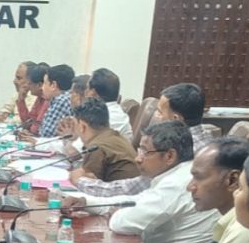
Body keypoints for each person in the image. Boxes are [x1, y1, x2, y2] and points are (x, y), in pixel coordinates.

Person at [65, 120, 216, 243]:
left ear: (169, 156)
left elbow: (122, 224)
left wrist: (116, 212)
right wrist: (86, 202)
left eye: (145, 152)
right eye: (139, 150)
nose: (138, 159)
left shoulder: (176, 183)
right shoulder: (175, 174)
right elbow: (135, 201)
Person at [74, 82, 218, 198]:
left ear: (175, 119)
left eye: (159, 112)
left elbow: (135, 189)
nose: (155, 116)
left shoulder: (177, 149)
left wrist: (81, 181)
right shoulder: (210, 144)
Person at [188, 137, 249, 243]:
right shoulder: (231, 220)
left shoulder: (243, 230)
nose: (190, 187)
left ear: (233, 180)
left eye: (198, 177)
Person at [65, 98, 139, 185]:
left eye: (74, 124)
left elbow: (86, 185)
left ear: (82, 126)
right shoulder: (115, 137)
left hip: (120, 193)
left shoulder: (96, 148)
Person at [28, 63, 75, 138]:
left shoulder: (61, 101)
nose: (42, 88)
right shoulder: (59, 99)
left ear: (53, 85)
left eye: (45, 83)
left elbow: (47, 134)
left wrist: (33, 139)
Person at [87, 68, 133, 139]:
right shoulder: (114, 112)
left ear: (92, 93)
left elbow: (77, 146)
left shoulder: (104, 117)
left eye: (87, 88)